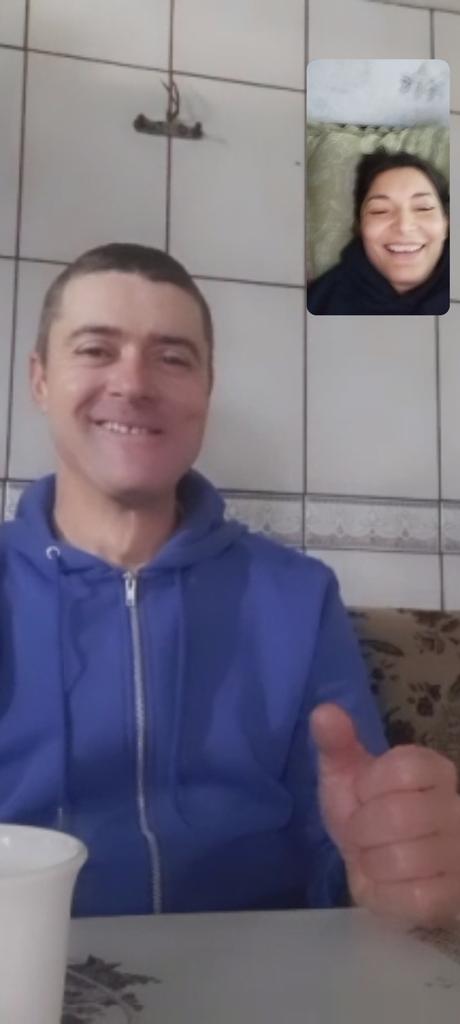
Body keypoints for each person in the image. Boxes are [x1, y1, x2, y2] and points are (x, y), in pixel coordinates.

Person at [1, 243, 459, 925]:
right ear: (40, 378)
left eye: (173, 357)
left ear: (207, 389)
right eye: (96, 350)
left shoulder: (300, 597)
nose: (134, 382)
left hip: (261, 963)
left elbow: (341, 841)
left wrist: (383, 865)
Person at [307, 149, 449, 315]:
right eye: (380, 211)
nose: (404, 226)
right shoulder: (316, 302)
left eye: (423, 208)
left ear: (446, 223)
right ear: (360, 226)